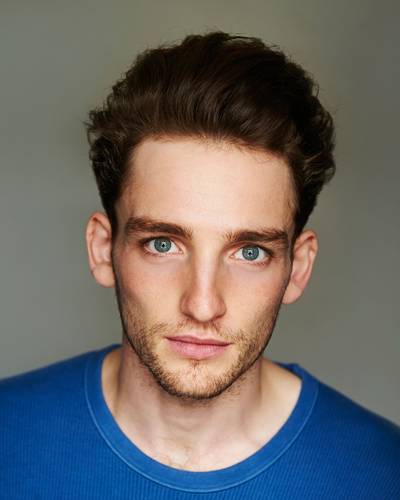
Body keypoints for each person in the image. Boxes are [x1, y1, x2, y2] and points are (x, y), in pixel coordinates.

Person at [1, 31, 399, 500]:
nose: (203, 304)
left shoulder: (383, 474)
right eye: (163, 244)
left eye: (250, 252)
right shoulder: (8, 436)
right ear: (103, 248)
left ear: (297, 268)